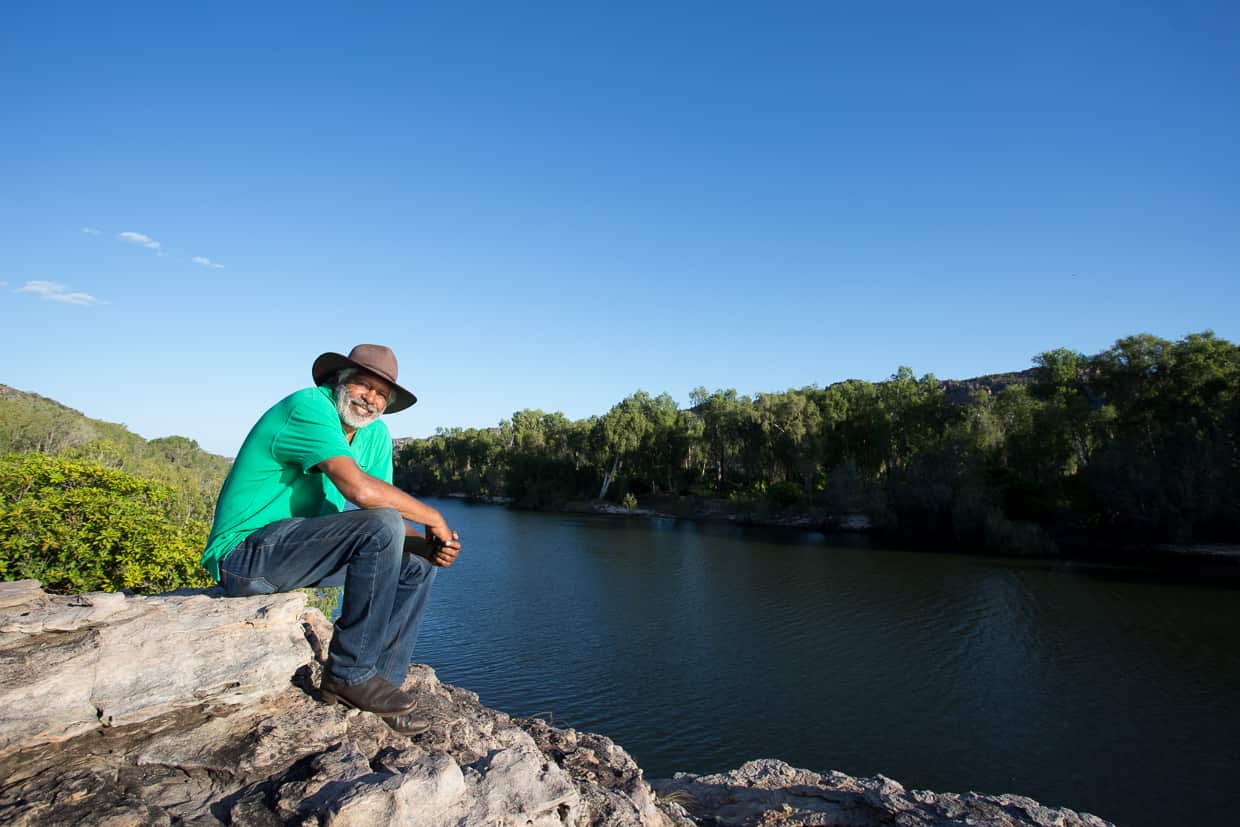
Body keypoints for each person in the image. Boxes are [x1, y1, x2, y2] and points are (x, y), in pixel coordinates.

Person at [200, 344, 460, 735]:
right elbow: (361, 493)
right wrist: (434, 517)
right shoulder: (308, 407)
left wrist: (428, 545)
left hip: (299, 556)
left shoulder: (374, 435)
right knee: (384, 526)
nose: (370, 400)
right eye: (363, 386)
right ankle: (348, 673)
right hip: (245, 556)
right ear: (339, 381)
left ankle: (379, 685)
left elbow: (379, 515)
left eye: (380, 395)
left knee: (416, 564)